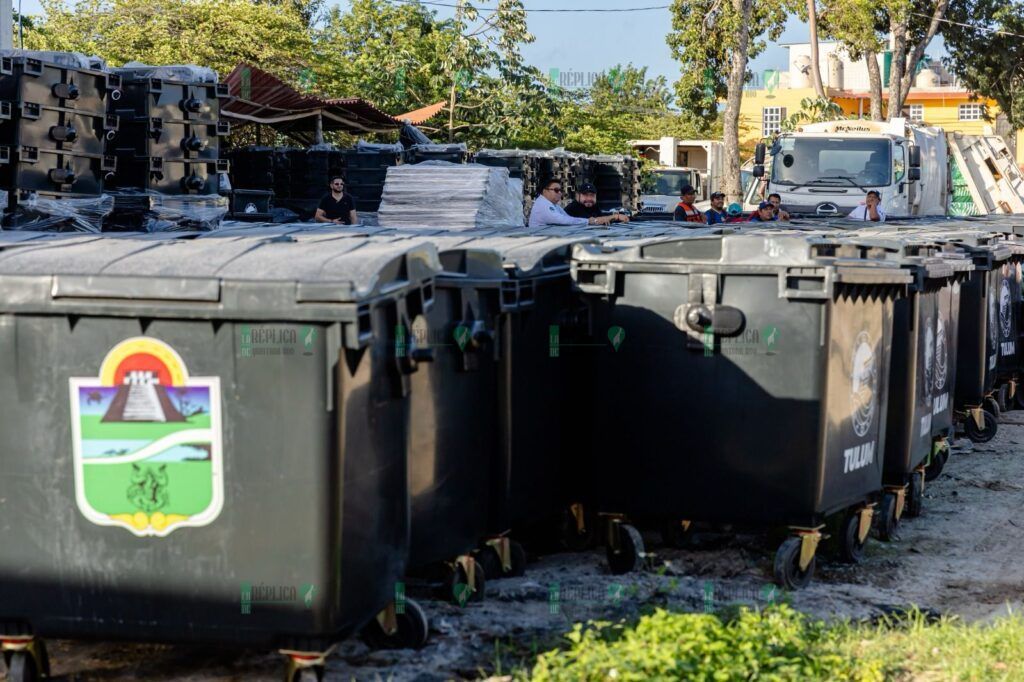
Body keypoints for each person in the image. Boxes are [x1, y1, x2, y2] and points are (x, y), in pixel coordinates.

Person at [529, 177, 610, 227]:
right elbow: (563, 220)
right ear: (544, 191)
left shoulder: (554, 205)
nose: (560, 193)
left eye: (560, 190)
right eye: (556, 190)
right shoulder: (544, 205)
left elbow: (567, 217)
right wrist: (590, 221)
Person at [565, 181, 630, 224]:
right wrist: (616, 216)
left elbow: (602, 216)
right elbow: (593, 221)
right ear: (577, 196)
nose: (589, 198)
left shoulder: (593, 206)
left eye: (592, 195)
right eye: (585, 195)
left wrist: (620, 216)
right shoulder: (573, 208)